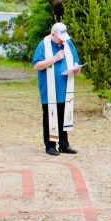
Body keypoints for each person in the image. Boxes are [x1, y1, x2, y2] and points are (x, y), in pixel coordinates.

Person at [32, 22, 82, 156]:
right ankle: (50, 146)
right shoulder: (43, 44)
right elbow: (36, 66)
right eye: (60, 38)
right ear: (53, 34)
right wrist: (54, 59)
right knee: (50, 116)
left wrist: (77, 69)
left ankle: (64, 145)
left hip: (65, 88)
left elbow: (76, 61)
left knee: (64, 116)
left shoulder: (68, 44)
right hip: (49, 89)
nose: (62, 40)